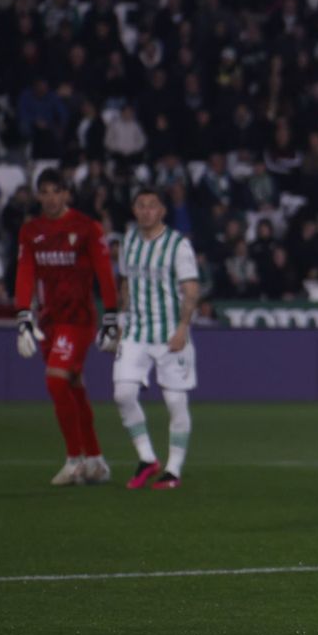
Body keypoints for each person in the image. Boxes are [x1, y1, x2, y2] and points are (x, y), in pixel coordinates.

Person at [14, 169, 120, 486]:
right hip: (49, 320)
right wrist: (23, 316)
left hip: (78, 320)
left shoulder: (86, 227)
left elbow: (104, 272)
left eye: (55, 191)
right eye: (44, 192)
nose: (50, 198)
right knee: (73, 385)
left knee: (56, 380)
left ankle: (74, 460)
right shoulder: (31, 231)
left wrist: (111, 316)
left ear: (66, 194)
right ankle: (96, 460)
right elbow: (25, 273)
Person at [113, 187, 201, 491]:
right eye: (141, 205)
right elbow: (125, 283)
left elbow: (191, 290)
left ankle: (173, 470)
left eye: (152, 206)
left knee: (175, 401)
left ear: (162, 210)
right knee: (123, 394)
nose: (146, 211)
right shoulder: (128, 242)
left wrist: (182, 328)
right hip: (137, 331)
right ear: (134, 209)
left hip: (169, 332)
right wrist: (122, 320)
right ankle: (147, 458)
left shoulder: (177, 245)